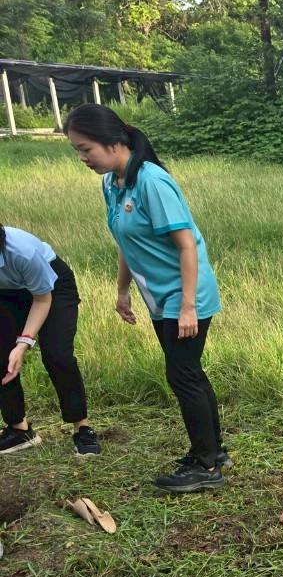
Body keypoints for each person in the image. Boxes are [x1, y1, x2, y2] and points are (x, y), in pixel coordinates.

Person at [64, 105, 228, 494]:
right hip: (158, 296)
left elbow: (187, 245)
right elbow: (126, 241)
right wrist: (123, 290)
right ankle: (213, 452)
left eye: (86, 149)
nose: (84, 159)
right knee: (188, 371)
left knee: (183, 374)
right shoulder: (113, 183)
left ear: (114, 142)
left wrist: (187, 305)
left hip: (185, 293)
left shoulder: (152, 182)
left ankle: (206, 467)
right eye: (78, 152)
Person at [0, 225, 100, 456]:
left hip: (52, 288)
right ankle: (19, 429)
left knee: (57, 355)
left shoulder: (23, 252)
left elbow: (42, 300)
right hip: (8, 291)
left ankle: (82, 428)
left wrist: (23, 343)